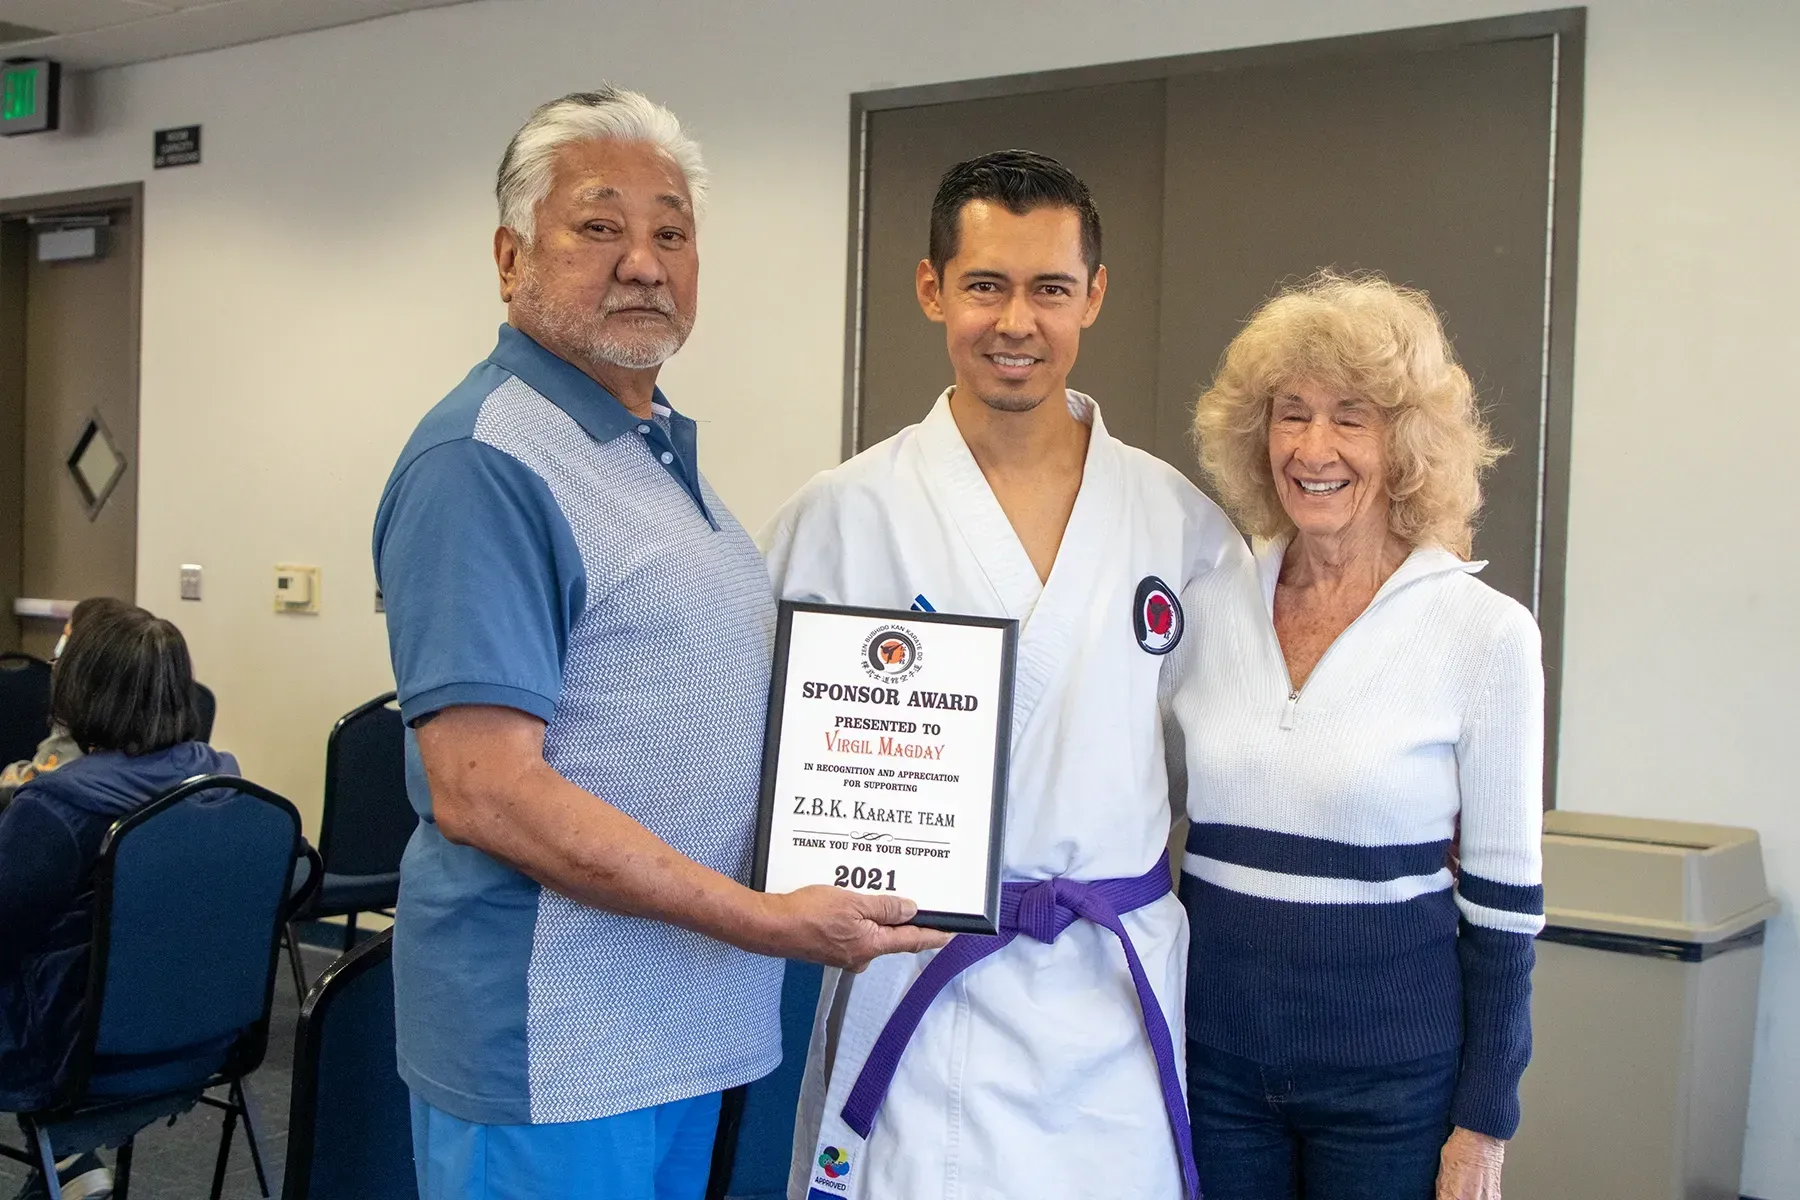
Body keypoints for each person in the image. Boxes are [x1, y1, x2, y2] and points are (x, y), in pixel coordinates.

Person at [373, 88, 945, 1200]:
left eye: (671, 232)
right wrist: (760, 918)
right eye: (599, 226)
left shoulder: (651, 451)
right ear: (510, 256)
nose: (643, 261)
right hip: (555, 1049)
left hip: (679, 1028)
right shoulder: (483, 461)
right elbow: (485, 792)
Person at [761, 150, 1246, 1200]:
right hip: (919, 985)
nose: (1016, 320)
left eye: (1049, 289)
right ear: (932, 287)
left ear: (1094, 296)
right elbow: (762, 766)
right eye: (985, 285)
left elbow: (1232, 760)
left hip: (1109, 993)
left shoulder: (1180, 526)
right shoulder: (842, 516)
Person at [1173, 271, 1544, 1200]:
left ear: (1409, 442)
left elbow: (1504, 909)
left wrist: (1485, 1121)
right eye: (1289, 415)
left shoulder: (1485, 634)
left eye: (1352, 417)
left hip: (1394, 1089)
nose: (1313, 447)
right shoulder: (1207, 607)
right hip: (1211, 1064)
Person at [0, 602, 232, 1200]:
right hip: (207, 1038)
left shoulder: (58, 810)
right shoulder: (228, 790)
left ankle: (67, 1157)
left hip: (72, 1053)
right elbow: (295, 883)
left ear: (78, 689)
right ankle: (66, 1161)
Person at [0, 598, 129, 810]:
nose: (59, 648)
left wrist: (9, 774)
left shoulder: (82, 704)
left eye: (67, 636)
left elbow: (38, 780)